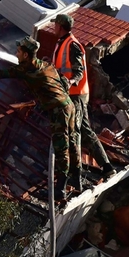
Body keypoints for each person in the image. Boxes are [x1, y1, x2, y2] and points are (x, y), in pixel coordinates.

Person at [0, 36, 76, 196]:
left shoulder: (25, 70)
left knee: (61, 148)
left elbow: (0, 74)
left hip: (59, 110)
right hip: (69, 105)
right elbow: (64, 83)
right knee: (69, 144)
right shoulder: (46, 65)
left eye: (18, 51)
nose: (16, 54)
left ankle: (60, 190)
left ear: (26, 55)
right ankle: (72, 180)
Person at [51, 14, 115, 191]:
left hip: (76, 95)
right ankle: (107, 167)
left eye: (55, 24)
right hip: (73, 94)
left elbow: (78, 71)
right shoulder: (62, 43)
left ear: (61, 26)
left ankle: (75, 177)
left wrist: (70, 82)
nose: (53, 27)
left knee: (74, 133)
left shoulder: (72, 45)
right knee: (85, 131)